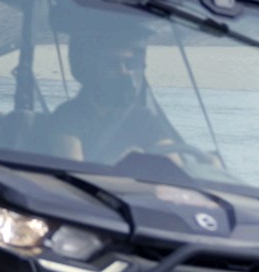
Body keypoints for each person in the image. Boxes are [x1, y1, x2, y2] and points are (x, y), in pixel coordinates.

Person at [46, 10, 181, 164]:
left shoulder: (144, 118)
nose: (123, 72)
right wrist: (122, 166)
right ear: (92, 70)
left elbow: (173, 165)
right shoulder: (68, 116)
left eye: (129, 64)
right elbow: (73, 174)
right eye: (112, 65)